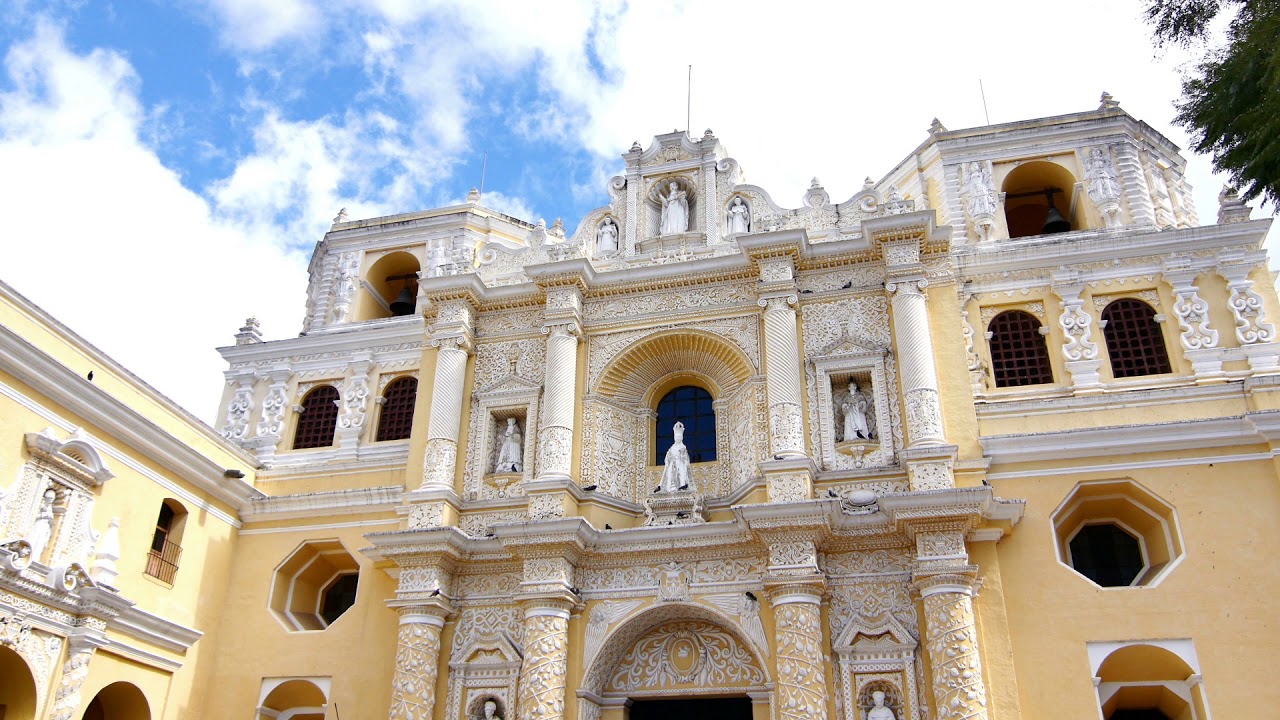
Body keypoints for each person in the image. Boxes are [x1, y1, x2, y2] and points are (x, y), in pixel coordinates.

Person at [657, 421, 691, 492]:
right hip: (672, 464)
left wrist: (682, 457)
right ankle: (667, 487)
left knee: (682, 471)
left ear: (681, 437)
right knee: (670, 474)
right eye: (676, 437)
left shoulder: (683, 447)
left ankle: (682, 484)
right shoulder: (671, 448)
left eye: (679, 437)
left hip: (680, 463)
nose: (678, 438)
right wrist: (669, 459)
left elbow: (686, 459)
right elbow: (667, 457)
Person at [27, 486, 56, 562]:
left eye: (52, 499)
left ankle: (36, 557)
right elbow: (34, 516)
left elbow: (52, 522)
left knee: (41, 542)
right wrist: (43, 515)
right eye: (50, 498)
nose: (51, 500)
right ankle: (30, 555)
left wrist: (50, 519)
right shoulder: (41, 505)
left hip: (45, 527)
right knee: (34, 539)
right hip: (38, 525)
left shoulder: (50, 508)